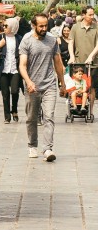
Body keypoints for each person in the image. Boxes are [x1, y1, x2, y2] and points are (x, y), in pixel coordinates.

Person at [19, 13, 66, 161]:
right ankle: (32, 145)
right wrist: (28, 81)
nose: (44, 28)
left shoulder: (52, 40)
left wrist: (62, 83)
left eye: (46, 25)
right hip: (32, 86)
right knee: (32, 118)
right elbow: (22, 65)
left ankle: (47, 149)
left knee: (49, 116)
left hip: (49, 84)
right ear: (34, 25)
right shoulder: (26, 41)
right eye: (41, 26)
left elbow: (58, 62)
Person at [68, 6, 98, 110]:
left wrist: (91, 56)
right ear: (83, 15)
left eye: (93, 14)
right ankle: (76, 105)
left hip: (93, 63)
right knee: (77, 85)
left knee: (92, 87)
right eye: (90, 14)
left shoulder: (96, 27)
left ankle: (90, 110)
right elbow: (71, 42)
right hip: (78, 63)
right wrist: (71, 56)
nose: (92, 16)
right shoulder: (75, 27)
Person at [0, 17, 22, 123]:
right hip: (3, 69)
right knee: (5, 94)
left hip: (15, 69)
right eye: (4, 25)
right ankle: (7, 116)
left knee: (15, 91)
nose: (4, 27)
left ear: (13, 27)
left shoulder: (19, 38)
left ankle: (14, 110)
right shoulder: (1, 37)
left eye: (6, 26)